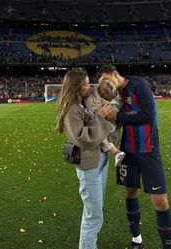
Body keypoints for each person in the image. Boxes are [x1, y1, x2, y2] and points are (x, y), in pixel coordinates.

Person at [96, 65, 171, 249]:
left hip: (148, 150)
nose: (105, 84)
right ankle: (136, 240)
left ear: (114, 73)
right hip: (127, 152)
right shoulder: (115, 95)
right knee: (130, 193)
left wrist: (118, 115)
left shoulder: (138, 84)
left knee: (160, 202)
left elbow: (147, 115)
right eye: (101, 83)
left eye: (106, 79)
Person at [56, 68, 113, 249]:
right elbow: (84, 138)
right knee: (93, 216)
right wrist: (100, 117)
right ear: (76, 86)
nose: (89, 87)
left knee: (94, 213)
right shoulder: (72, 109)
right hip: (89, 168)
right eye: (86, 83)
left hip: (99, 162)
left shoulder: (82, 104)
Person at [85, 79, 125, 167]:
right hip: (110, 128)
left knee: (96, 131)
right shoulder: (92, 100)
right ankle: (116, 151)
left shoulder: (95, 101)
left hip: (110, 127)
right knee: (97, 131)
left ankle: (116, 151)